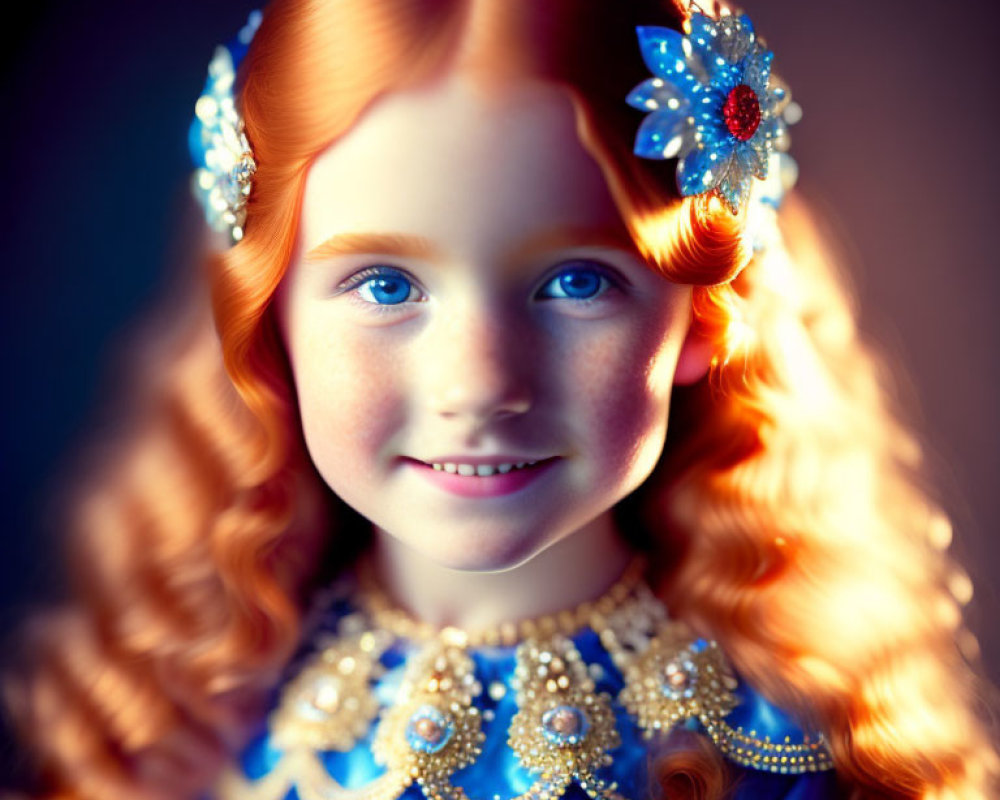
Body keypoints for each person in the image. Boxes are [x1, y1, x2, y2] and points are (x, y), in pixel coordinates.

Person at [5, 1, 997, 798]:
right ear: (273, 324)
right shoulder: (198, 708)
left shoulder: (777, 748)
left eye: (576, 281)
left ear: (698, 319)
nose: (478, 383)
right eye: (385, 284)